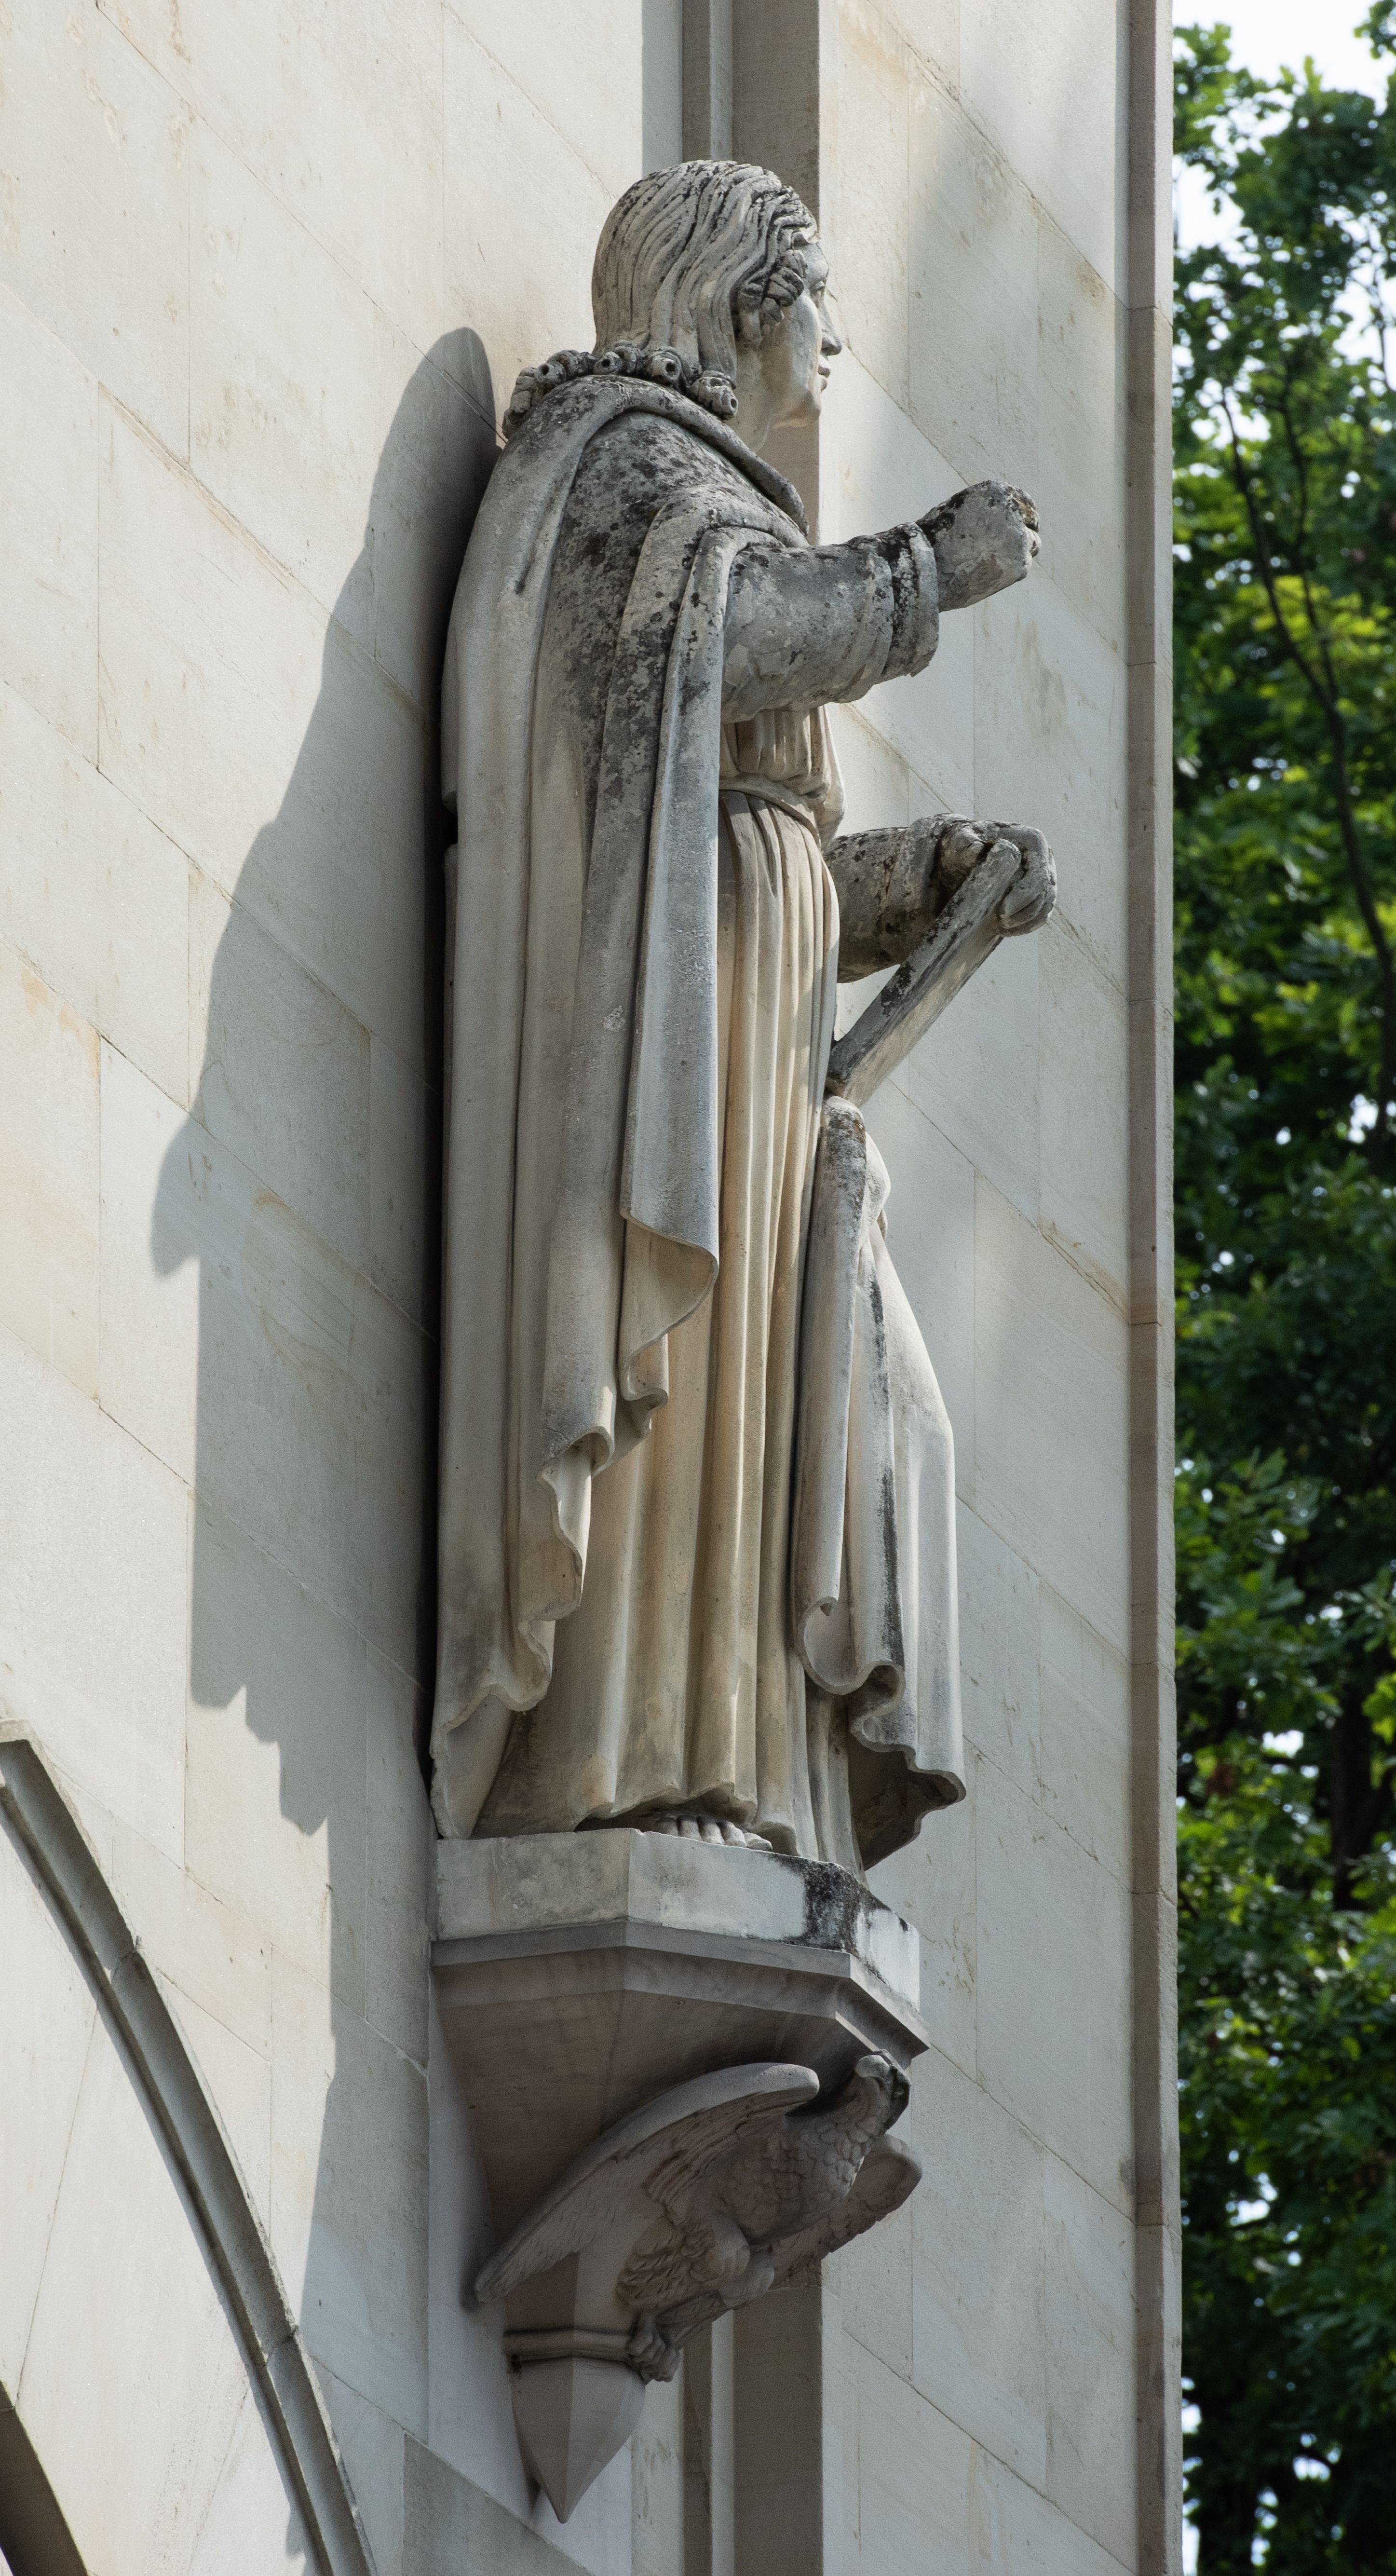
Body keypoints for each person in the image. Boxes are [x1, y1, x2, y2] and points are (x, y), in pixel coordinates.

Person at [433, 160, 1053, 1873]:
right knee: (680, 1378)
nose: (835, 340)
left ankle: (724, 1754)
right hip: (663, 1036)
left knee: (749, 1410)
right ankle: (626, 1757)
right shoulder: (630, 465)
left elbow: (765, 834)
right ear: (750, 302)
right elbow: (746, 636)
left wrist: (914, 880)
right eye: (821, 301)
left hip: (735, 1021)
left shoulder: (683, 483)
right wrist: (930, 572)